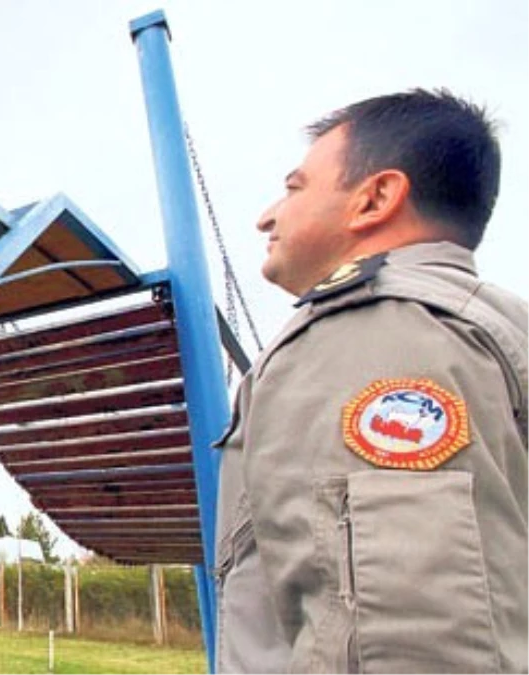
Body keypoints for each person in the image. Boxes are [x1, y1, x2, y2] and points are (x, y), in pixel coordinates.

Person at [216, 89, 529, 673]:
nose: (266, 215)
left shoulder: (375, 334)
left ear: (375, 198)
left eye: (295, 187)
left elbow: (413, 640)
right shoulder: (480, 327)